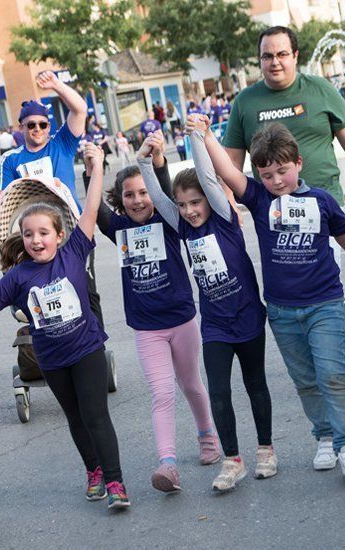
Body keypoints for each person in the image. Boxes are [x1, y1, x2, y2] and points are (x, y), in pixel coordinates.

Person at [201, 118, 345, 480]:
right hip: (283, 313)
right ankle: (325, 436)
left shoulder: (322, 200)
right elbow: (228, 173)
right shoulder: (259, 198)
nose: (276, 181)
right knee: (306, 380)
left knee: (333, 374)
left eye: (282, 171)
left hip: (325, 305)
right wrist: (205, 135)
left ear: (299, 163)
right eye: (267, 175)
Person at [0, 143, 131, 510]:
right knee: (76, 418)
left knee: (96, 416)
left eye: (43, 233)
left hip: (87, 351)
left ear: (59, 235)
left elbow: (92, 208)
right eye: (29, 234)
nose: (35, 240)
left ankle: (115, 482)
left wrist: (94, 169)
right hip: (52, 359)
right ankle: (93, 470)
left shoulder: (75, 251)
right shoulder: (17, 276)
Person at [84, 132, 219, 493]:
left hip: (183, 321)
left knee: (191, 383)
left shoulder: (168, 220)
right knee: (161, 393)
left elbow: (161, 184)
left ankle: (208, 436)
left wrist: (157, 159)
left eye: (143, 193)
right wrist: (91, 170)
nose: (137, 200)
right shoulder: (119, 228)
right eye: (129, 195)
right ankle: (168, 464)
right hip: (147, 329)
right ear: (120, 199)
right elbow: (96, 210)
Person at [141, 129, 274, 492]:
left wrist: (197, 139)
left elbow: (210, 179)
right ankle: (232, 460)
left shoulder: (224, 217)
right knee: (218, 391)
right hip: (215, 325)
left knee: (255, 385)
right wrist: (143, 161)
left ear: (209, 199)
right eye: (183, 205)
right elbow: (159, 199)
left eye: (195, 202)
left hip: (248, 317)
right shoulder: (183, 227)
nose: (189, 210)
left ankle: (266, 449)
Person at [222, 26, 345, 217]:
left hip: (324, 206)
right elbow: (231, 161)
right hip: (273, 213)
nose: (275, 62)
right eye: (267, 56)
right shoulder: (245, 101)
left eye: (282, 54)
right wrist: (229, 203)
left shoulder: (320, 89)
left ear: (295, 56)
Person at [0, 71, 87, 203]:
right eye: (31, 125)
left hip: (71, 221)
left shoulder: (62, 144)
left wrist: (56, 84)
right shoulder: (10, 159)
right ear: (21, 128)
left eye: (42, 125)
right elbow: (4, 202)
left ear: (49, 127)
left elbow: (80, 110)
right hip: (35, 222)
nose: (37, 129)